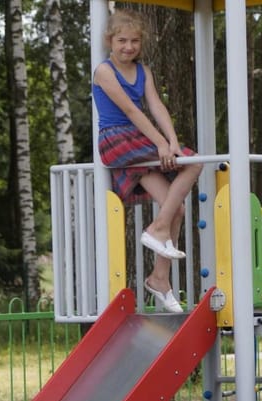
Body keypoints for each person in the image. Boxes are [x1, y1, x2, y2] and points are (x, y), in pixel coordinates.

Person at [92, 9, 202, 313]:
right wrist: (159, 143)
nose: (128, 47)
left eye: (134, 41)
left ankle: (159, 278)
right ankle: (156, 231)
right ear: (110, 41)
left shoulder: (144, 72)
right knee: (192, 166)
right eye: (122, 41)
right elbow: (131, 111)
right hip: (117, 139)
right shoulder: (104, 71)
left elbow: (155, 105)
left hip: (139, 141)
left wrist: (173, 142)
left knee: (176, 203)